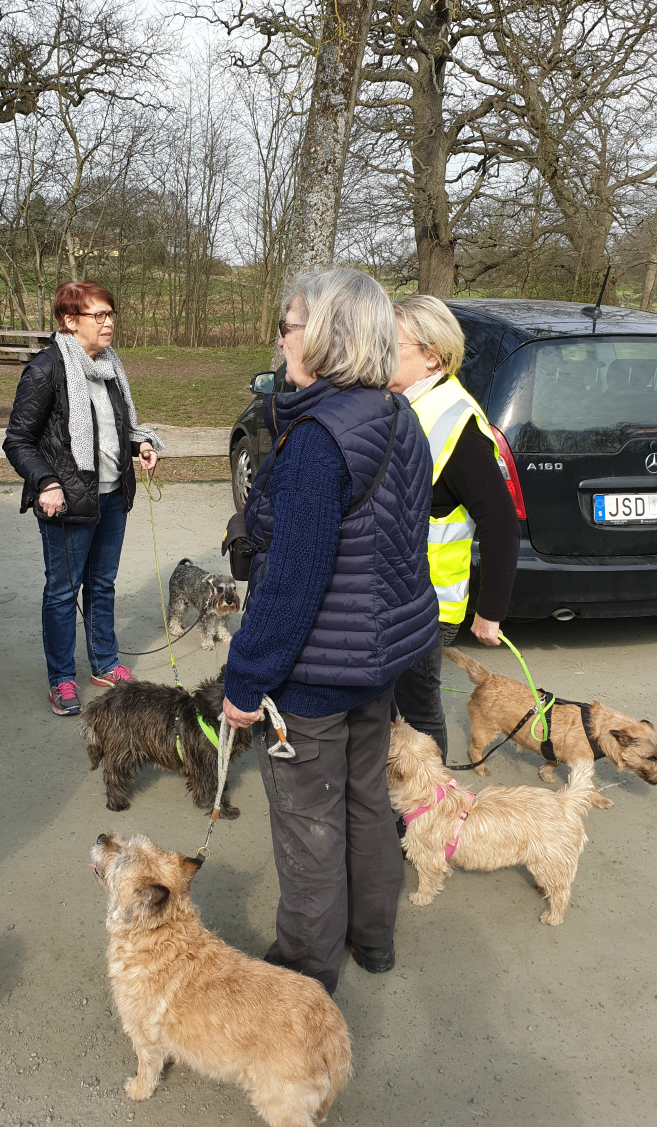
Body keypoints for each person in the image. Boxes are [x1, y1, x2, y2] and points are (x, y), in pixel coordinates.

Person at [222, 267, 439, 992]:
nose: (279, 340)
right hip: (375, 660)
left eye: (287, 326)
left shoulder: (319, 438)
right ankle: (372, 938)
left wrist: (245, 680)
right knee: (365, 801)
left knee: (310, 827)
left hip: (316, 672)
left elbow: (291, 582)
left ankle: (306, 975)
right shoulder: (396, 413)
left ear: (323, 338)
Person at [3, 280, 163, 716]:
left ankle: (105, 664)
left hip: (111, 495)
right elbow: (18, 441)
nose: (108, 323)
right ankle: (61, 679)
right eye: (99, 315)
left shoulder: (110, 367)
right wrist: (46, 483)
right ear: (70, 321)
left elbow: (115, 429)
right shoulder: (46, 368)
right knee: (61, 592)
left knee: (102, 584)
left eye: (111, 314)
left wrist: (140, 445)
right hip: (67, 502)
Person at [389, 296, 521, 760]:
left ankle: (430, 810)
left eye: (393, 343)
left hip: (428, 604)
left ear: (433, 356)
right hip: (392, 595)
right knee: (388, 712)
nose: (381, 350)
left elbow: (501, 521)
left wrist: (491, 611)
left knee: (417, 713)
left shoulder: (457, 421)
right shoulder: (400, 402)